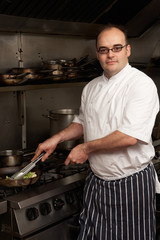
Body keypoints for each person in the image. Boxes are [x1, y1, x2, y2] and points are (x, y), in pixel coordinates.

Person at [32, 24, 160, 240]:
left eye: (116, 48)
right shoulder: (91, 87)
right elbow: (83, 122)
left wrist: (85, 147)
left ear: (127, 50)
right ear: (98, 54)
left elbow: (129, 136)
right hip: (97, 182)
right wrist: (57, 138)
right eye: (103, 49)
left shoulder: (141, 85)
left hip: (130, 182)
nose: (110, 54)